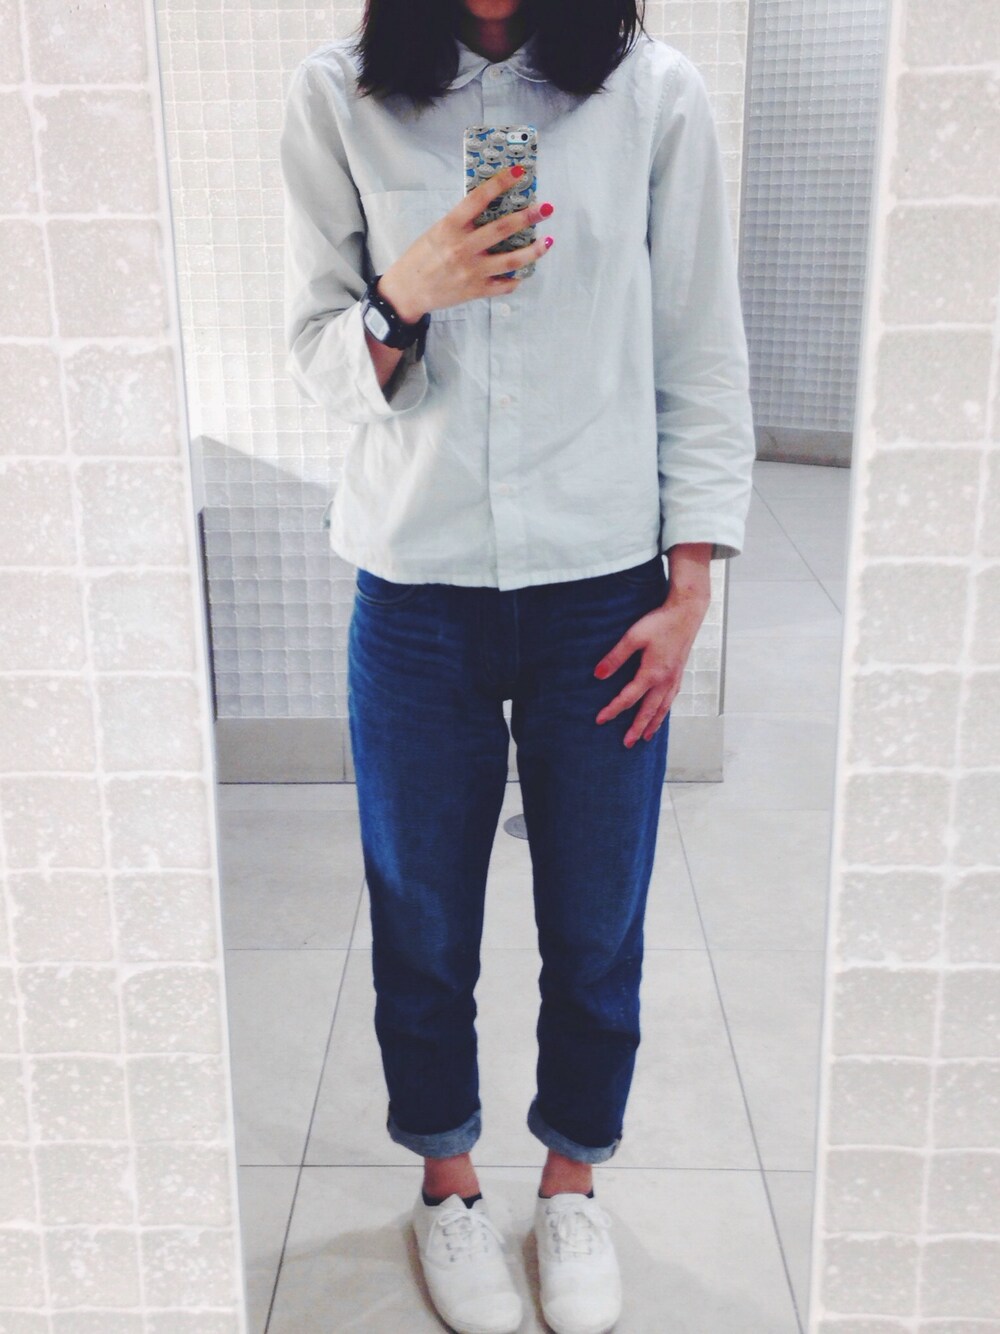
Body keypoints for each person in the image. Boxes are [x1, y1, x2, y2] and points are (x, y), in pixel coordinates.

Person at [280, 0, 755, 1329]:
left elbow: (701, 345)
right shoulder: (338, 97)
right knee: (422, 915)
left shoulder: (652, 96)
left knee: (597, 914)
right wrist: (407, 291)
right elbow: (316, 354)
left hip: (601, 582)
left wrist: (692, 582)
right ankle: (447, 1186)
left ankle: (571, 1180)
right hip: (416, 581)